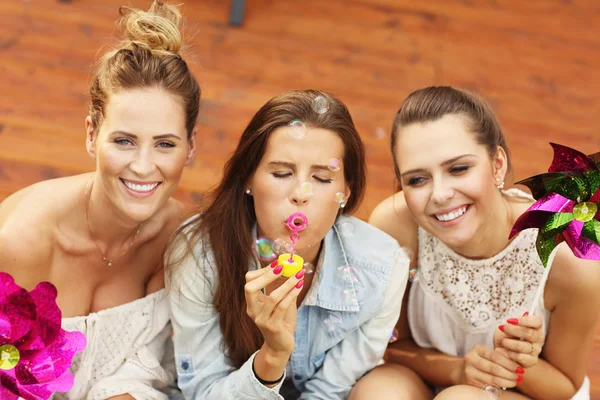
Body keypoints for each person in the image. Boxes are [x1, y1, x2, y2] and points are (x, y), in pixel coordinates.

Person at [0, 1, 200, 398]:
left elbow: (151, 361)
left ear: (191, 147)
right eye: (124, 141)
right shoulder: (21, 243)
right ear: (92, 134)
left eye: (165, 144)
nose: (143, 167)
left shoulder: (180, 237)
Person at [351, 86, 600, 400]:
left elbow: (564, 387)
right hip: (431, 377)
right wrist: (457, 370)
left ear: (497, 165)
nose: (439, 194)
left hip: (524, 393)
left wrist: (521, 362)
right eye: (417, 179)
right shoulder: (395, 226)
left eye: (458, 169)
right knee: (380, 393)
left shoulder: (568, 258)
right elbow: (389, 346)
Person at [166, 89, 410, 399]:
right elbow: (203, 392)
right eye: (282, 173)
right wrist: (271, 358)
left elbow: (328, 393)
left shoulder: (382, 269)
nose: (301, 193)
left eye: (322, 178)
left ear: (346, 192)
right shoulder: (198, 254)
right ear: (248, 180)